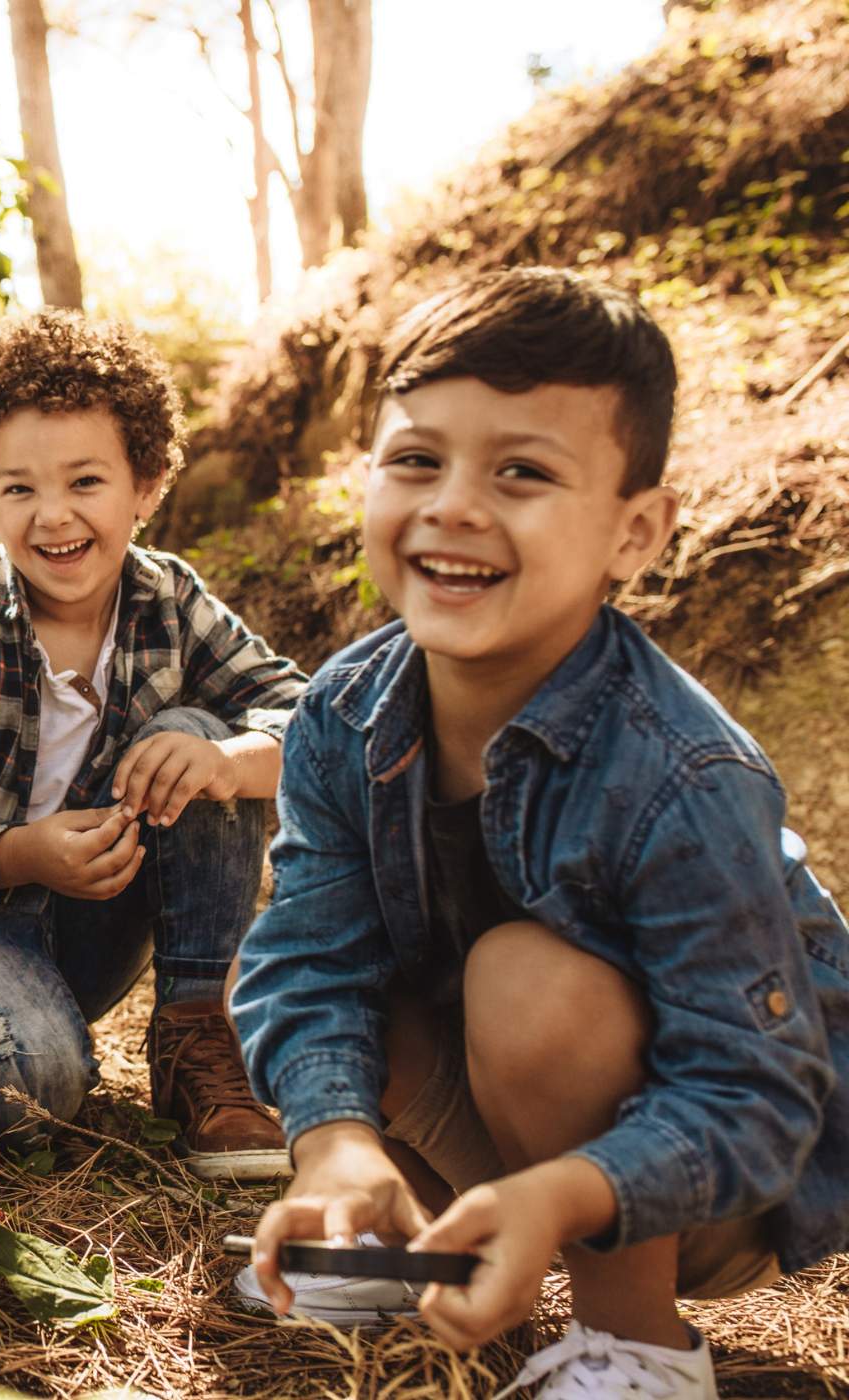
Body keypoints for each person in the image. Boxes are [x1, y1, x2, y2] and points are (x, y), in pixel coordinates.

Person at [231, 268, 848, 1395]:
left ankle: (635, 1344)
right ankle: (394, 1229)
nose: (453, 505)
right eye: (416, 459)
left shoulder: (678, 770)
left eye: (520, 471)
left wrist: (561, 1193)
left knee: (523, 978)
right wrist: (333, 1142)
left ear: (634, 532)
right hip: (508, 1116)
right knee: (355, 977)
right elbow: (306, 957)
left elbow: (753, 1091)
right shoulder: (341, 711)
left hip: (704, 1176)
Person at [0, 308, 308, 1178]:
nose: (53, 517)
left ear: (148, 484)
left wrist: (231, 761)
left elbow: (309, 717)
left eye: (86, 481)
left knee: (196, 739)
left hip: (89, 927)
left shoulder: (171, 601)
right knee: (34, 1094)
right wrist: (19, 855)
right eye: (19, 489)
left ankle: (197, 1035)